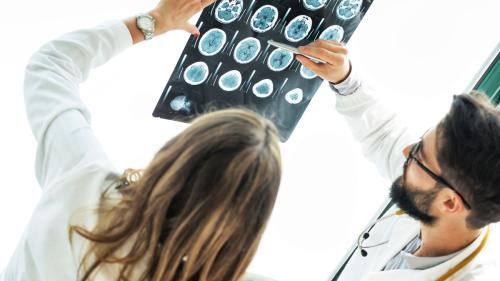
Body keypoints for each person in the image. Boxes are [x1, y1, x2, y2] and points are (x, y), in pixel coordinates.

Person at [0, 0, 283, 280]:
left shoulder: (85, 184)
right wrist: (331, 83)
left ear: (174, 156)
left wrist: (152, 22)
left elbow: (50, 65)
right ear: (253, 222)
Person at [296, 41, 500, 280]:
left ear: (449, 203)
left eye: (418, 155)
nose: (405, 151)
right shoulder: (449, 202)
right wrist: (345, 79)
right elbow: (385, 136)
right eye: (419, 142)